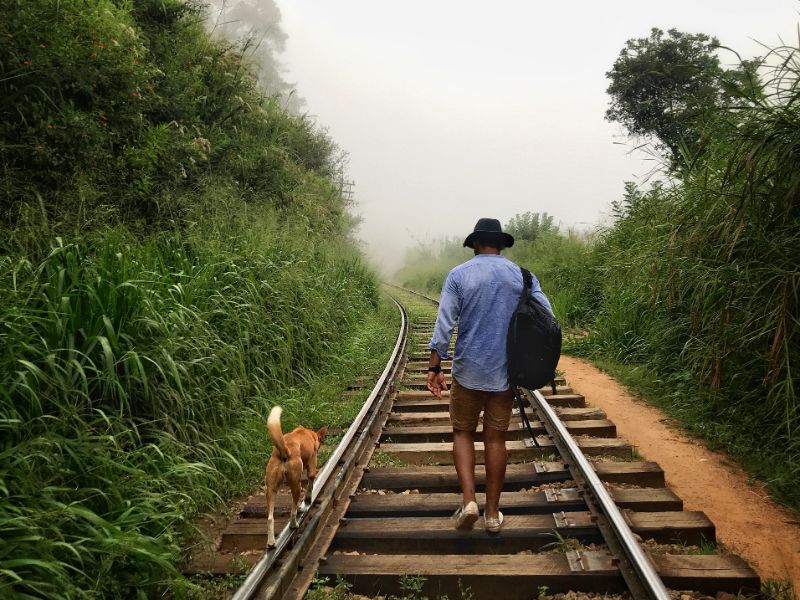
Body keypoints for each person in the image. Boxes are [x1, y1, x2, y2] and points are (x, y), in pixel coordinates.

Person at [426, 217, 553, 533]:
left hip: (468, 370)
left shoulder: (459, 275)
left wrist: (434, 366)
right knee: (496, 438)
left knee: (462, 432)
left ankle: (469, 500)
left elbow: (444, 325)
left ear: (476, 244)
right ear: (500, 245)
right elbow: (547, 317)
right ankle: (493, 514)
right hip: (505, 375)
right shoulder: (523, 277)